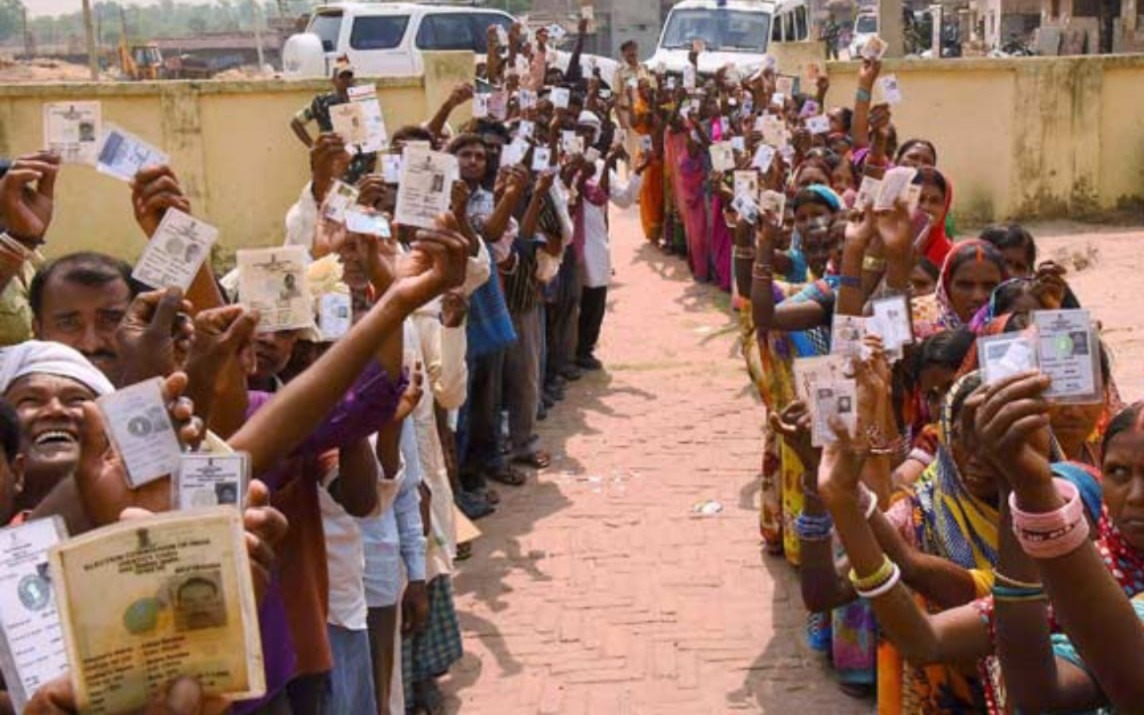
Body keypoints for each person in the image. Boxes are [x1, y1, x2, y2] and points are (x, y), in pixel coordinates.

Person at [290, 55, 376, 184]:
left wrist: (371, 164)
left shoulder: (364, 101)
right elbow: (296, 122)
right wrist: (312, 146)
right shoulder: (321, 102)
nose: (346, 80)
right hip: (332, 167)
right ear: (333, 80)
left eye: (349, 76)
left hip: (360, 167)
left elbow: (374, 136)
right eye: (342, 77)